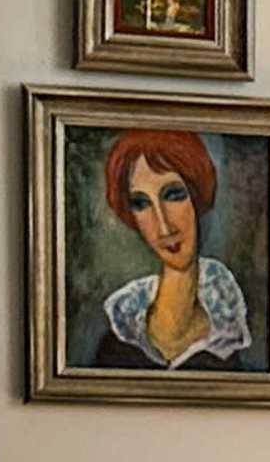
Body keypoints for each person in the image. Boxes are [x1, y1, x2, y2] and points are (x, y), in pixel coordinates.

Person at [87, 126, 256, 372]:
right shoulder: (120, 337)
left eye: (174, 194)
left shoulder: (231, 335)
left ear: (197, 195)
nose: (164, 227)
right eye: (141, 203)